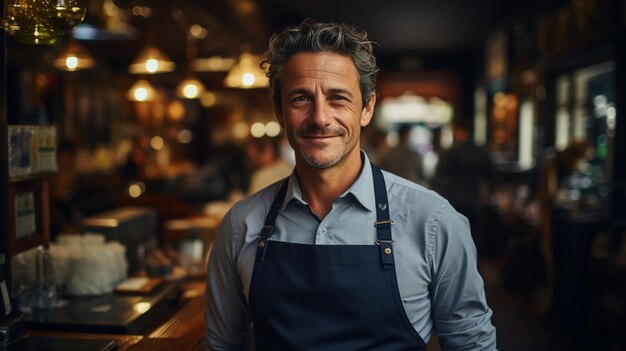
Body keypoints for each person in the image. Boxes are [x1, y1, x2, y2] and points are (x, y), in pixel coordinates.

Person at [205, 19, 496, 351]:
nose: (320, 118)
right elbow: (224, 345)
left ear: (367, 108)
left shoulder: (433, 222)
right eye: (300, 99)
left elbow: (471, 345)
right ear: (279, 111)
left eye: (338, 98)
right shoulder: (240, 224)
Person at [433, 118, 496, 249]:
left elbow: (439, 178)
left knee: (455, 240)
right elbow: (492, 178)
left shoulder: (452, 152)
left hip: (454, 201)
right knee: (473, 238)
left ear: (459, 131)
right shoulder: (481, 152)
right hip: (475, 202)